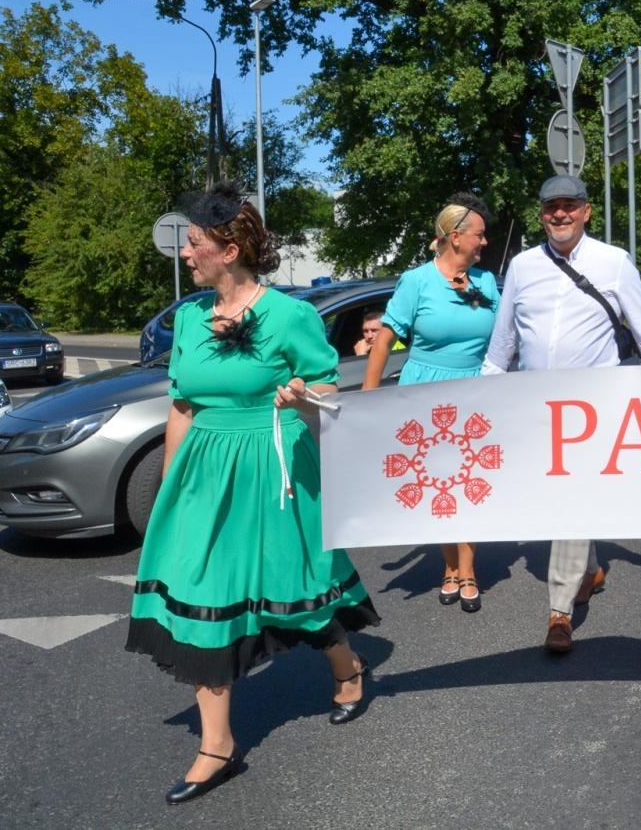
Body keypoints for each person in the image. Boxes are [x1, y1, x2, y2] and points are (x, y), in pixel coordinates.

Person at [126, 183, 380, 805]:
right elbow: (183, 404)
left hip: (273, 465)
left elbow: (331, 397)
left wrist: (304, 395)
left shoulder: (290, 316)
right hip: (206, 472)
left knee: (297, 583)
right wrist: (171, 482)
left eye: (195, 244)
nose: (186, 254)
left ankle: (347, 669)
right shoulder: (188, 318)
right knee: (204, 591)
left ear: (229, 249)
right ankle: (217, 747)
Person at [482, 175, 641, 653]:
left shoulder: (613, 263)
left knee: (568, 498)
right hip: (535, 409)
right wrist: (482, 396)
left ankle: (559, 612)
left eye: (569, 206)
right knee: (557, 499)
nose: (560, 215)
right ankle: (589, 569)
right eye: (551, 208)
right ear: (541, 214)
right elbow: (502, 343)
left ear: (587, 211)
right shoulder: (523, 267)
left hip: (593, 409)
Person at [363, 194, 499, 613]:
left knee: (472, 485)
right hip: (425, 389)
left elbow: (503, 332)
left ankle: (470, 566)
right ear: (455, 237)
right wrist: (368, 400)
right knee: (439, 483)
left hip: (475, 389)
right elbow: (385, 339)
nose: (485, 242)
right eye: (479, 235)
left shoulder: (488, 281)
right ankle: (449, 565)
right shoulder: (416, 281)